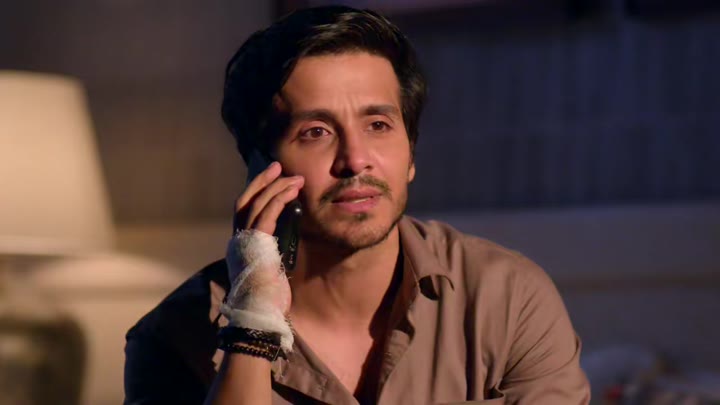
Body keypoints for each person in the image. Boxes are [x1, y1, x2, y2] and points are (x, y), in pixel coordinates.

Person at [124, 5, 590, 405]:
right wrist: (252, 326)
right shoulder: (172, 338)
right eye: (315, 132)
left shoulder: (506, 299)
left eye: (378, 126)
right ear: (259, 167)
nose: (355, 159)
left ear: (410, 154)